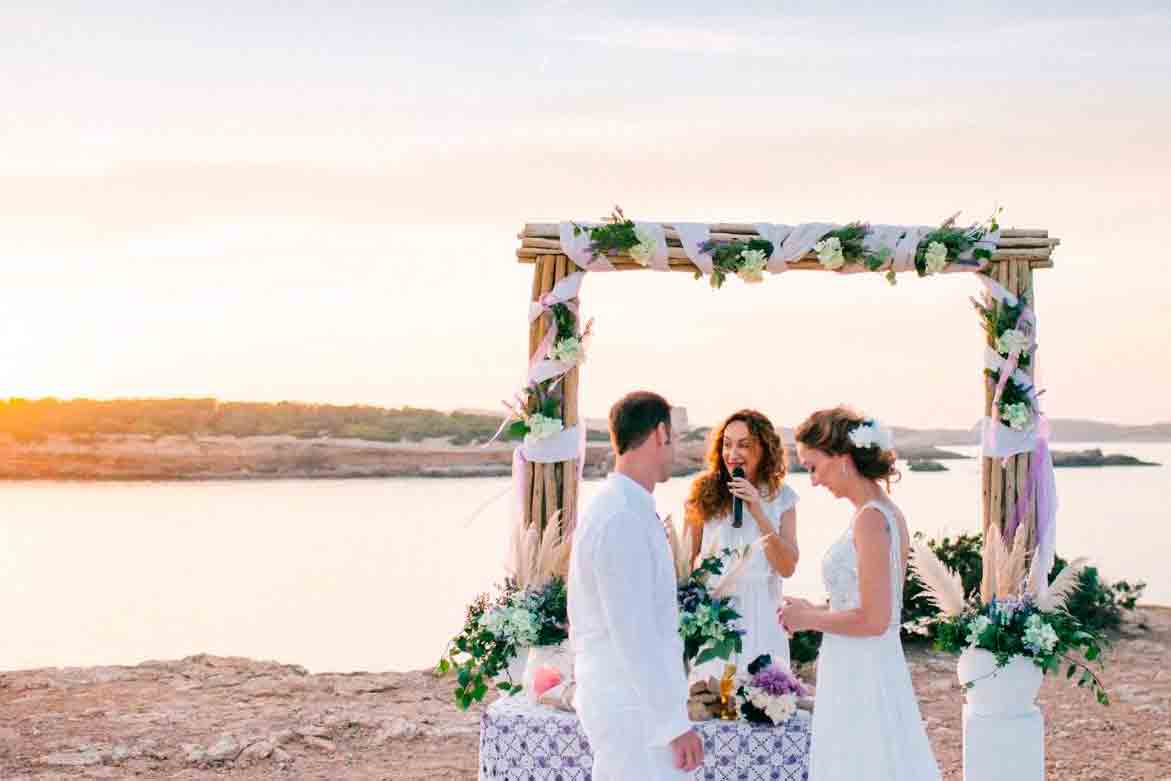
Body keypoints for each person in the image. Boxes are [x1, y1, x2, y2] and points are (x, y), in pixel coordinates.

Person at [779, 406, 940, 781]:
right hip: (863, 658)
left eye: (813, 466)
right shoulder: (884, 512)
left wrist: (808, 620)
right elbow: (867, 603)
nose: (814, 480)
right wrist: (816, 608)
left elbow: (874, 618)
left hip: (861, 666)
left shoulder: (871, 518)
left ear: (842, 459)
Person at [568, 390, 703, 779]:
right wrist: (673, 724)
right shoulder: (621, 518)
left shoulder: (626, 507)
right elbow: (634, 632)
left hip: (632, 699)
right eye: (674, 438)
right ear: (660, 433)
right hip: (631, 705)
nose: (675, 450)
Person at [684, 409, 799, 669]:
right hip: (713, 620)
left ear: (764, 449)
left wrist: (757, 510)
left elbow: (787, 567)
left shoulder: (783, 498)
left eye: (744, 445)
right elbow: (685, 566)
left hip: (763, 617)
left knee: (761, 701)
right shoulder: (702, 493)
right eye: (727, 444)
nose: (732, 454)